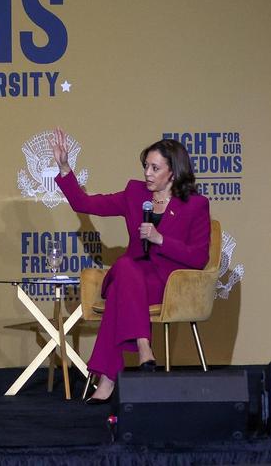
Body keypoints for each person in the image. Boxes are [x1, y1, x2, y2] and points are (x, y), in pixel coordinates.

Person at [50, 129, 211, 404]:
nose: (147, 173)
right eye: (146, 166)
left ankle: (107, 380)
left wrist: (161, 239)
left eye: (155, 168)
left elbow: (199, 257)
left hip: (168, 284)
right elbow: (84, 203)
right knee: (125, 266)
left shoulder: (195, 205)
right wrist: (65, 168)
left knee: (117, 293)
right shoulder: (135, 193)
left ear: (173, 172)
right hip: (132, 275)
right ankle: (143, 345)